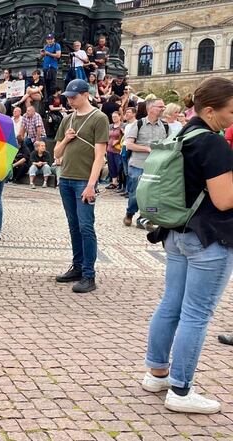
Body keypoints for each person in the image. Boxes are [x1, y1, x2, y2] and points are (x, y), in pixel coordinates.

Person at [142, 77, 233, 414]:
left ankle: (157, 372)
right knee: (196, 314)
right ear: (210, 110)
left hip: (176, 232)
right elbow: (224, 200)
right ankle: (181, 391)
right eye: (230, 111)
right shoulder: (213, 144)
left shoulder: (178, 133)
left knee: (171, 304)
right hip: (209, 237)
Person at [53, 79, 109, 293]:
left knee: (86, 226)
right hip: (65, 178)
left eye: (73, 96)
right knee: (73, 225)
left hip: (83, 181)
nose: (69, 100)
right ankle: (77, 266)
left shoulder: (99, 118)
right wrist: (66, 140)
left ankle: (89, 274)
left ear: (86, 94)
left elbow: (99, 156)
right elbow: (57, 153)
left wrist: (91, 185)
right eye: (67, 96)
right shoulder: (67, 119)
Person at [123, 99, 168, 230]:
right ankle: (130, 213)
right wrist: (147, 149)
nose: (163, 109)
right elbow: (129, 144)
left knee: (151, 194)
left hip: (156, 166)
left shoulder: (165, 126)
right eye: (160, 106)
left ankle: (143, 219)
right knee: (136, 194)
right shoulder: (138, 124)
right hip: (138, 164)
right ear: (150, 108)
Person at [105, 111, 125, 190]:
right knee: (111, 166)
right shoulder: (110, 126)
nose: (114, 118)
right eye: (113, 117)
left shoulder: (123, 126)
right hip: (109, 149)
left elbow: (125, 136)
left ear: (120, 117)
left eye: (116, 117)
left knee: (119, 166)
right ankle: (114, 182)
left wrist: (118, 140)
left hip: (118, 149)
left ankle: (121, 182)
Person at [41, 33, 61, 97]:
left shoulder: (56, 45)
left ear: (54, 39)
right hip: (45, 67)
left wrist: (48, 53)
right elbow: (42, 56)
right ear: (46, 40)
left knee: (53, 84)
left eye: (51, 39)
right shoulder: (45, 46)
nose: (50, 40)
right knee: (47, 84)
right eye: (49, 39)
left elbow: (58, 55)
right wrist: (42, 54)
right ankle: (48, 98)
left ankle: (53, 98)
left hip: (52, 67)